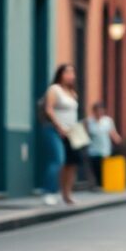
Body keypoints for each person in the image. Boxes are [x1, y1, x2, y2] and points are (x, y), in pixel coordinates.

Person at [41, 64, 82, 206]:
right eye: (67, 72)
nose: (71, 75)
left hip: (73, 131)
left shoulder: (72, 92)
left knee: (72, 164)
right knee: (58, 160)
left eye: (72, 72)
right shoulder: (54, 89)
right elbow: (49, 109)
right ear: (60, 74)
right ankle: (49, 192)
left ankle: (67, 195)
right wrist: (59, 127)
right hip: (55, 130)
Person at [85, 101, 122, 188]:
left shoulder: (108, 121)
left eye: (101, 110)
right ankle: (97, 184)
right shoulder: (89, 121)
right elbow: (86, 135)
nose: (99, 113)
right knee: (95, 167)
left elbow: (112, 133)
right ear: (94, 111)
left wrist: (118, 140)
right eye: (97, 110)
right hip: (93, 149)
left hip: (105, 149)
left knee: (103, 168)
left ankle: (102, 184)